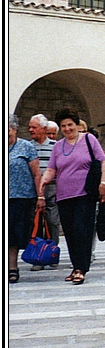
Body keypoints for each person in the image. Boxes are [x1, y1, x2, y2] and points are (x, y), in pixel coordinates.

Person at [40, 108, 105, 285]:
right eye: (63, 126)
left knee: (81, 230)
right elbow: (51, 169)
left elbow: (103, 162)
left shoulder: (88, 139)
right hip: (64, 196)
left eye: (70, 124)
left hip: (85, 193)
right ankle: (76, 265)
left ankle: (81, 268)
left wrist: (103, 183)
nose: (67, 128)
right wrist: (43, 181)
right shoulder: (57, 146)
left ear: (76, 124)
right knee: (70, 233)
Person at [8, 115, 45, 284]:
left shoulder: (26, 147)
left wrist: (40, 195)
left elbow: (36, 174)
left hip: (21, 197)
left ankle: (12, 267)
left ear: (15, 129)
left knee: (13, 234)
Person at [27, 114, 61, 265]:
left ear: (44, 129)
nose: (30, 130)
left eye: (34, 127)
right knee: (35, 223)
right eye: (30, 127)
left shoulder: (55, 146)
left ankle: (51, 252)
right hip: (33, 189)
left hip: (51, 188)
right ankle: (38, 256)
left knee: (53, 221)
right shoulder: (28, 146)